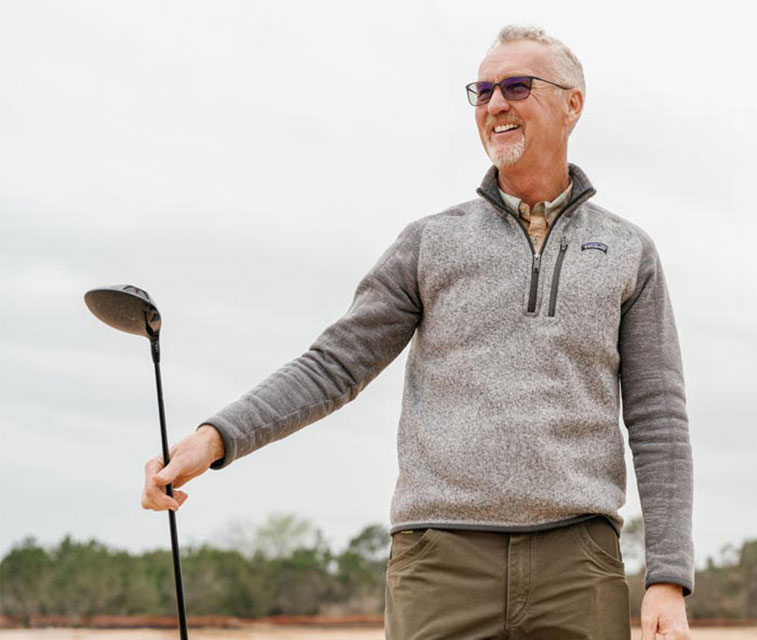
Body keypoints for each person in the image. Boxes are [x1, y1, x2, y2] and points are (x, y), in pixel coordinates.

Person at [142, 24, 694, 640]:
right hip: (439, 564)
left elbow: (658, 416)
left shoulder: (629, 251)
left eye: (516, 86)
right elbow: (335, 365)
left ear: (572, 104)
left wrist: (666, 577)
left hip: (578, 564)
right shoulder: (430, 242)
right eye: (482, 92)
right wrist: (214, 438)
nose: (495, 105)